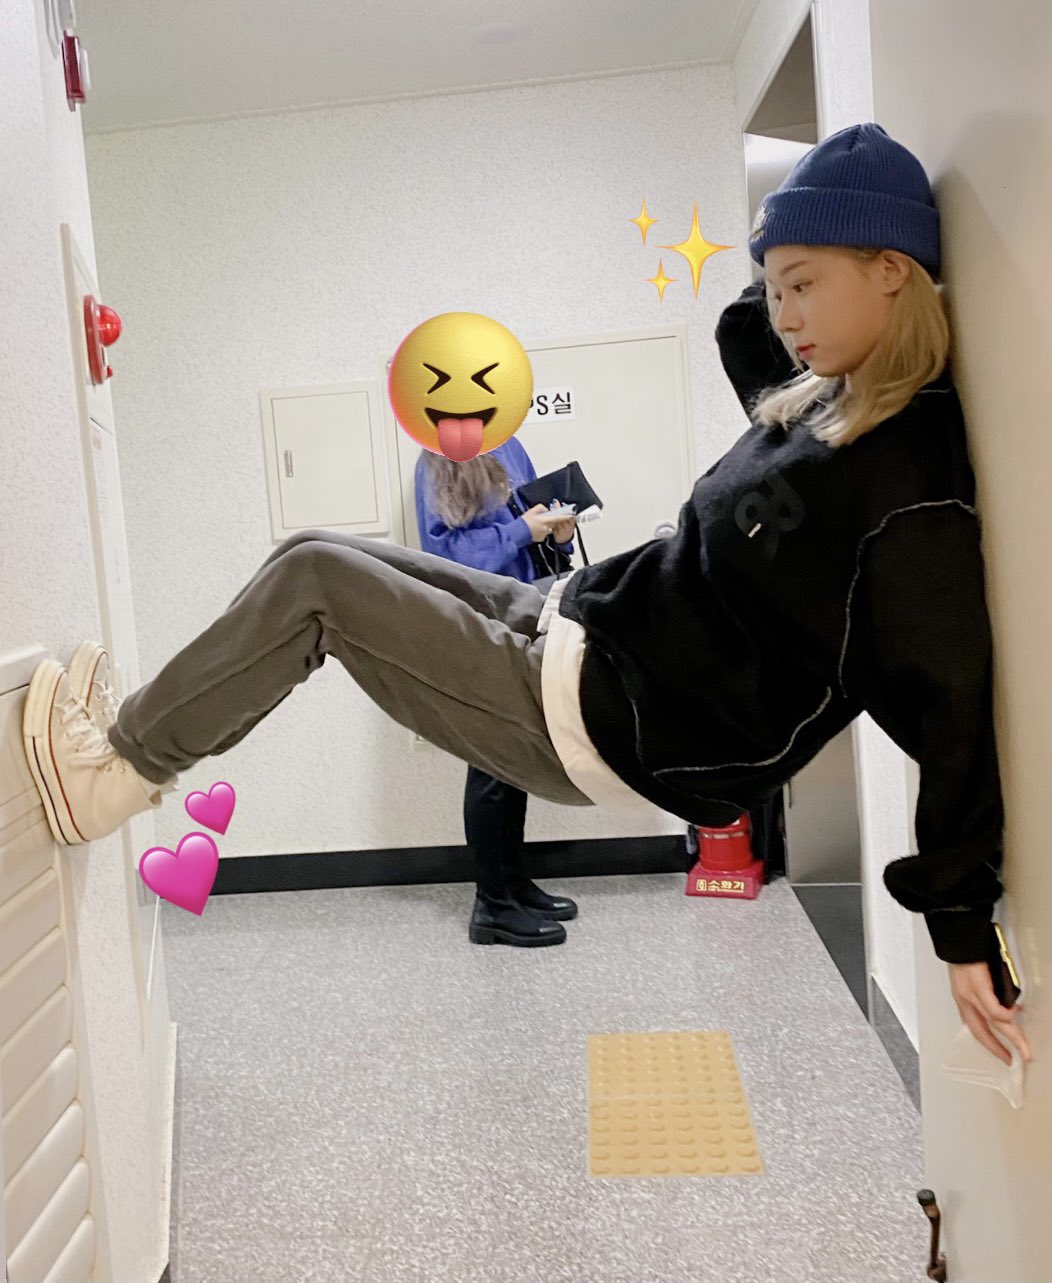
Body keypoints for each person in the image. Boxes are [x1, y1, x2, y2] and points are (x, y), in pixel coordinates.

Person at [22, 124, 1031, 1067]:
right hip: (576, 622)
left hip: (605, 714)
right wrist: (794, 248)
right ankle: (141, 737)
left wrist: (959, 926)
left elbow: (950, 705)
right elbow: (741, 329)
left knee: (314, 586)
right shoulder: (823, 402)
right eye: (776, 287)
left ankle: (116, 771)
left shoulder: (907, 491)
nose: (784, 315)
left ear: (893, 269)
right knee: (313, 547)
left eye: (803, 285)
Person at [414, 436, 579, 947]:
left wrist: (557, 535)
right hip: (476, 626)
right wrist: (521, 531)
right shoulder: (436, 457)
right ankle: (492, 905)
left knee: (515, 757)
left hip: (521, 621)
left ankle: (513, 884)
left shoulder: (509, 442)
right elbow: (443, 555)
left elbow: (531, 524)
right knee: (490, 763)